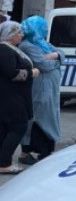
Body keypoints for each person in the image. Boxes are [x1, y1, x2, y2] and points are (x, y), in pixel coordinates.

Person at [17, 16, 64, 165]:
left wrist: (56, 55)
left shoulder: (42, 43)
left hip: (49, 88)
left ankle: (45, 150)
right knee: (38, 118)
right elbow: (43, 65)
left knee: (49, 116)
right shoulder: (27, 46)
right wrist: (57, 61)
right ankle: (30, 151)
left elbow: (61, 53)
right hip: (40, 88)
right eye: (43, 28)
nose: (46, 30)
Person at [0, 21, 39, 174]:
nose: (21, 35)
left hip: (13, 96)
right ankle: (4, 163)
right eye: (18, 33)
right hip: (11, 97)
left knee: (5, 128)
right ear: (10, 34)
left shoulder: (10, 48)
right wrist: (31, 73)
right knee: (18, 126)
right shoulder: (5, 50)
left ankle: (4, 161)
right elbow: (11, 73)